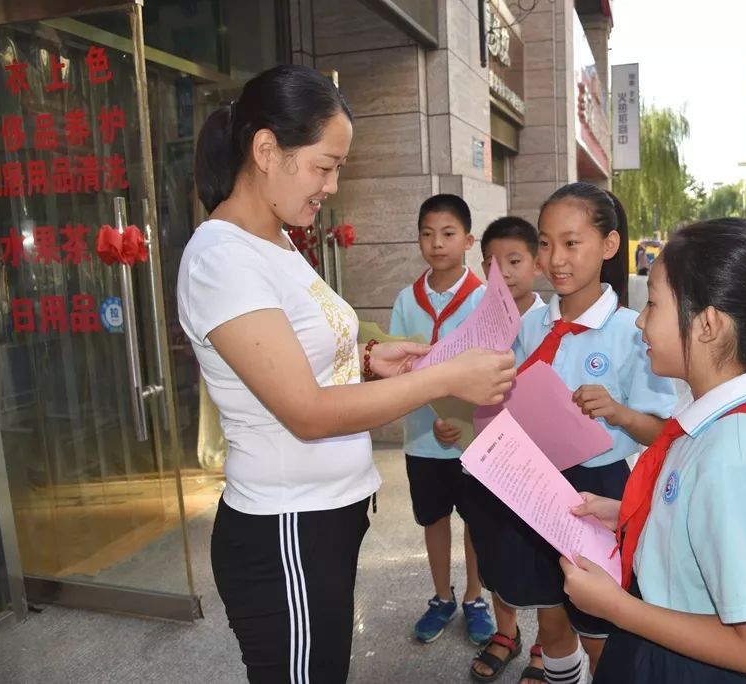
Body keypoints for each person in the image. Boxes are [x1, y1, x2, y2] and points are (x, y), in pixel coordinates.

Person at [180, 65, 515, 684]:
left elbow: (289, 356)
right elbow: (304, 412)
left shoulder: (276, 241)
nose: (332, 186)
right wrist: (442, 380)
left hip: (322, 517)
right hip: (286, 528)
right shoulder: (221, 258)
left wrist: (366, 360)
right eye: (324, 165)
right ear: (265, 150)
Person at [560, 217, 746, 683]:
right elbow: (697, 518)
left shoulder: (736, 456)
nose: (640, 321)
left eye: (654, 305)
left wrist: (615, 608)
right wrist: (626, 512)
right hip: (658, 639)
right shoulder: (707, 421)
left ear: (707, 325)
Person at [468, 183, 678, 684]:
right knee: (551, 611)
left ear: (608, 246)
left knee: (600, 624)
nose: (555, 259)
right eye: (545, 243)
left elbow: (664, 435)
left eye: (570, 243)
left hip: (598, 489)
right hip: (532, 483)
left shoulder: (636, 331)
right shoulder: (530, 324)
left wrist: (621, 413)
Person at [432, 216, 547, 682]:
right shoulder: (474, 325)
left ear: (537, 264)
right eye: (494, 264)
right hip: (486, 463)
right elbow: (455, 389)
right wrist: (447, 422)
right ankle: (507, 632)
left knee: (542, 557)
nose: (506, 272)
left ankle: (545, 646)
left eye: (515, 261)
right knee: (493, 547)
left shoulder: (550, 324)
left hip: (539, 466)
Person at [389, 194, 498, 647]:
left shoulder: (485, 298)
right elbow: (396, 367)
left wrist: (462, 415)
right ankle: (441, 596)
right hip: (422, 438)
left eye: (448, 233)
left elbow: (493, 365)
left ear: (469, 240)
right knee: (432, 518)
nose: (437, 243)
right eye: (428, 234)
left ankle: (475, 597)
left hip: (472, 438)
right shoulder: (405, 299)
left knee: (475, 519)